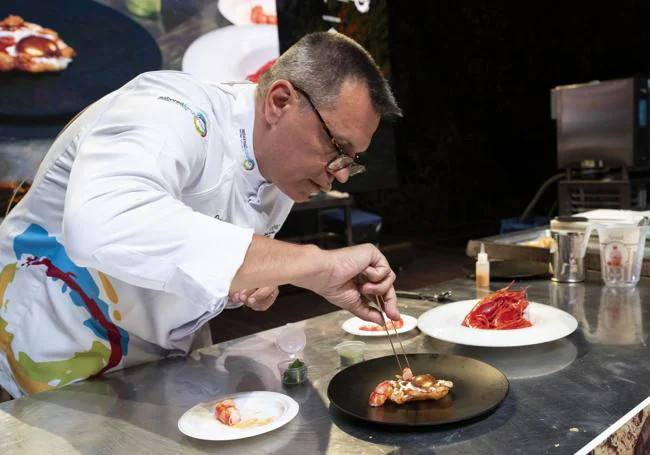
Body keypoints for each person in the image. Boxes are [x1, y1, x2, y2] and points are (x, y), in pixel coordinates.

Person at [0, 30, 403, 398]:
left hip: (157, 355)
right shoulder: (168, 108)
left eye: (353, 159)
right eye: (337, 147)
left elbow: (193, 257)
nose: (342, 174)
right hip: (58, 337)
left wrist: (247, 280)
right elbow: (101, 223)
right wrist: (312, 264)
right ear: (280, 101)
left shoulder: (281, 171)